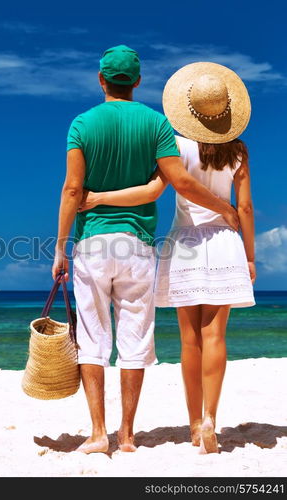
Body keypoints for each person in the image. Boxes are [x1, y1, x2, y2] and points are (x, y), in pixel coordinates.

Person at [52, 47, 239, 454]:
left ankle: (99, 433)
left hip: (91, 242)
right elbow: (176, 184)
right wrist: (226, 208)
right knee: (135, 338)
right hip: (137, 244)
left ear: (100, 79)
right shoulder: (157, 124)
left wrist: (61, 247)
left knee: (93, 337)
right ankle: (128, 434)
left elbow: (71, 189)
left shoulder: (82, 124)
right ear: (137, 82)